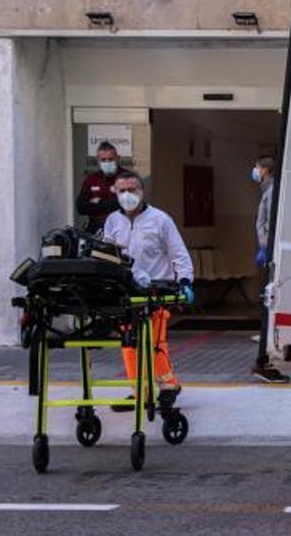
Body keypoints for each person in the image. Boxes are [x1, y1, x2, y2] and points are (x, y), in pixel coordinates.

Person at [102, 170, 195, 411]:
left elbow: (178, 253)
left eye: (132, 190)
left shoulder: (160, 220)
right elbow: (107, 255)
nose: (127, 195)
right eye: (121, 190)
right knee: (130, 344)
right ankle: (139, 391)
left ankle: (168, 386)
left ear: (142, 192)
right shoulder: (112, 221)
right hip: (126, 291)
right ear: (115, 193)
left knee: (154, 342)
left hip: (156, 291)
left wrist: (185, 281)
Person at [249, 156, 290, 383]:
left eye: (256, 167)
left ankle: (265, 358)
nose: (255, 171)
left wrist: (267, 247)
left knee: (271, 301)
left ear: (265, 169)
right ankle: (264, 359)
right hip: (268, 250)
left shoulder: (273, 190)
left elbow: (270, 222)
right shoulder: (269, 190)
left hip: (271, 252)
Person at [76, 141, 124, 235]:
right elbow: (81, 207)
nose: (107, 162)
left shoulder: (127, 178)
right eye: (103, 160)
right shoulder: (91, 179)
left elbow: (125, 204)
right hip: (95, 229)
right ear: (98, 160)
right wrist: (110, 204)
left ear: (117, 158)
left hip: (120, 229)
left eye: (110, 159)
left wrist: (99, 202)